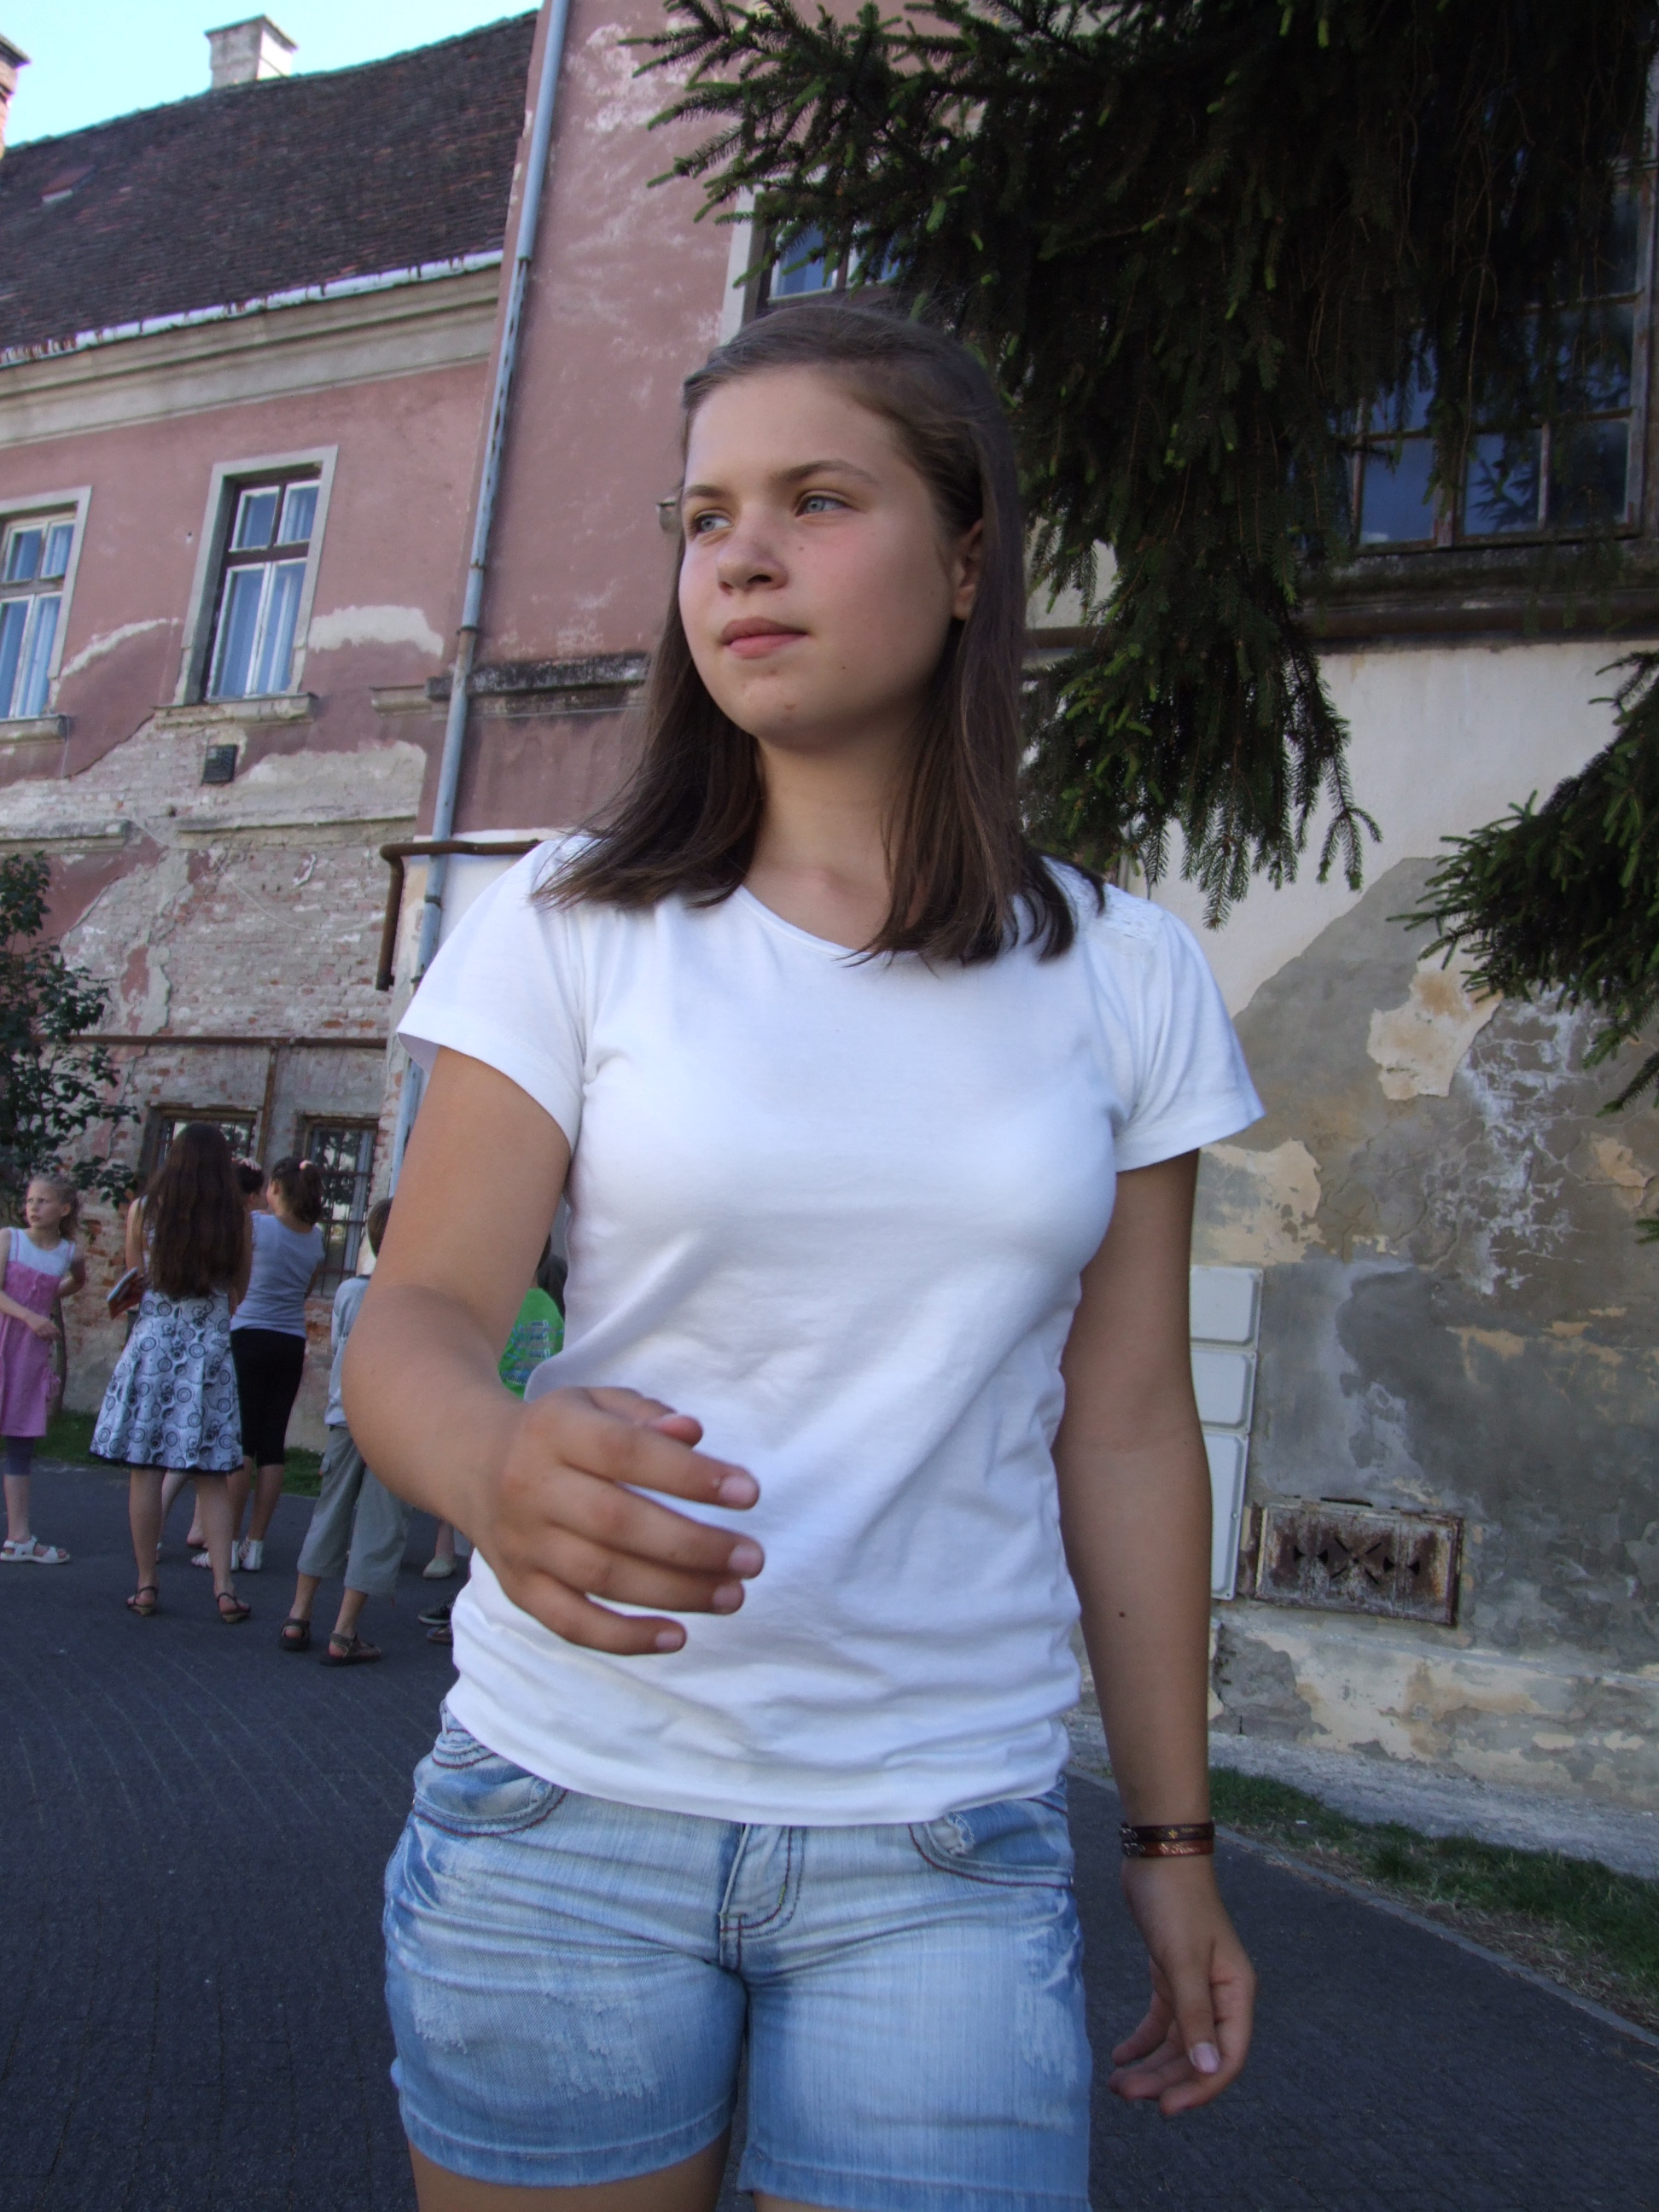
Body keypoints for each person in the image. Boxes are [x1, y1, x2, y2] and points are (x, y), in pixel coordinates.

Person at [346, 301, 1264, 2210]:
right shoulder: (568, 918)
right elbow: (418, 1310)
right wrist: (490, 1461)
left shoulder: (1124, 972)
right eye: (705, 517)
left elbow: (1126, 1428)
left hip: (938, 1837)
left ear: (968, 558)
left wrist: (1171, 1843)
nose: (740, 557)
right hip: (564, 1799)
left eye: (816, 500)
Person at [92, 1121, 252, 1620]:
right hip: (209, 1352)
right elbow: (240, 1289)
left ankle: (146, 1583)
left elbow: (136, 1276)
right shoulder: (236, 1218)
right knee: (212, 1474)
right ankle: (224, 1589)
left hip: (154, 1346)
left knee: (145, 1469)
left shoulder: (144, 1210)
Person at [279, 1197, 410, 1665]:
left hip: (346, 1415)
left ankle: (298, 1614)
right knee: (381, 1522)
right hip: (393, 1425)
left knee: (328, 1512)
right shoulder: (416, 1300)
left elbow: (338, 1349)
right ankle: (345, 1630)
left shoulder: (350, 1293)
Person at [227, 1155, 325, 1571]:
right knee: (272, 1444)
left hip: (249, 1332)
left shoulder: (256, 1226)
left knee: (241, 1443)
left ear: (277, 1189)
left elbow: (235, 1274)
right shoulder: (316, 1238)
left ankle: (227, 1543)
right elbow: (304, 1290)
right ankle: (256, 1543)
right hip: (290, 1339)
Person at [174, 1158, 271, 1562]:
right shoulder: (246, 1225)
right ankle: (224, 1551)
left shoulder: (184, 1217)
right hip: (224, 1333)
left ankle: (181, 1532)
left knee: (187, 1440)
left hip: (188, 1333)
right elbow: (240, 1286)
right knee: (225, 1440)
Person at [0, 1172, 85, 1563]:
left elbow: (76, 1282)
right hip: (6, 1338)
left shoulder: (69, 1253)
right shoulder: (9, 1239)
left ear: (64, 1209)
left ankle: (18, 1536)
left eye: (43, 1201)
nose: (33, 1207)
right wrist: (31, 1316)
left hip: (28, 1353)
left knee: (20, 1440)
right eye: (30, 1200)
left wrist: (47, 1299)